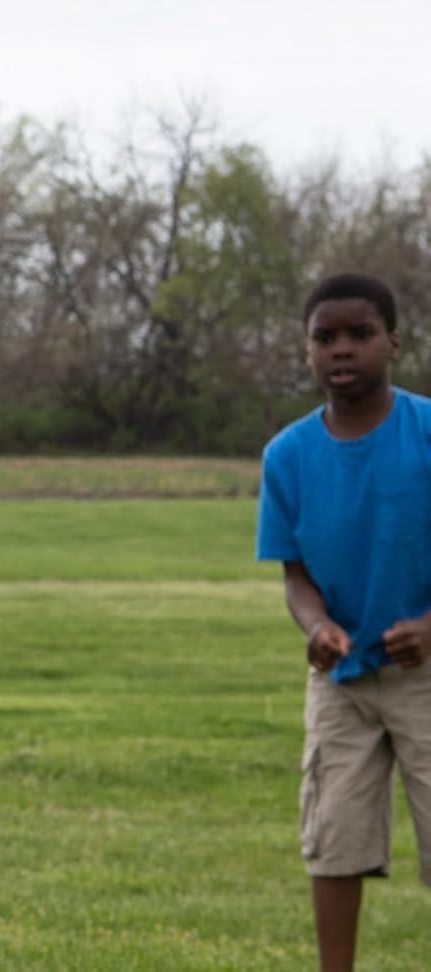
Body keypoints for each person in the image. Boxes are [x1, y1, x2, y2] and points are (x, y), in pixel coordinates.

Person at [256, 272, 431, 972]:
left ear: (393, 341)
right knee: (334, 840)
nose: (342, 349)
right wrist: (316, 627)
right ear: (306, 351)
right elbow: (294, 574)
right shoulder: (288, 456)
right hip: (342, 683)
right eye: (324, 337)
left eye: (360, 334)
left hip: (426, 676)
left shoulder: (426, 434)